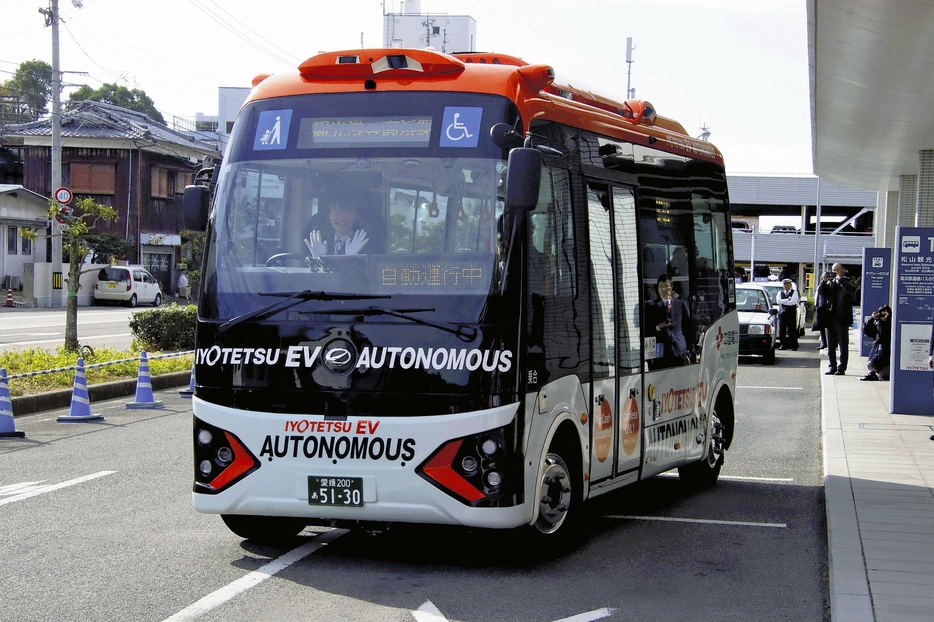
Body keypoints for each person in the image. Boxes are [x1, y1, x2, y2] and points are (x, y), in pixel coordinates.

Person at [646, 274, 692, 368]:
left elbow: (688, 328)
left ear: (671, 286)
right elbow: (647, 329)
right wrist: (658, 327)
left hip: (680, 351)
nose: (664, 289)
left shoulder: (681, 304)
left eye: (666, 286)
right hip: (661, 353)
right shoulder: (651, 307)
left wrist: (690, 351)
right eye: (661, 287)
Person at [825, 262, 856, 376]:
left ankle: (842, 368)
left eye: (837, 270)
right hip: (831, 318)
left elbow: (851, 291)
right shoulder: (830, 283)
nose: (835, 272)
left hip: (842, 319)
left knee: (843, 345)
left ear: (843, 270)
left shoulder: (847, 281)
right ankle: (832, 366)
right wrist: (824, 282)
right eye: (833, 270)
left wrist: (841, 280)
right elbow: (822, 294)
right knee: (831, 346)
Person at [860, 304, 891, 381]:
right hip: (878, 355)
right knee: (871, 365)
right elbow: (866, 330)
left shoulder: (892, 325)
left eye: (885, 313)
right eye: (881, 313)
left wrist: (888, 320)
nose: (883, 315)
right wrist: (872, 319)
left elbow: (885, 336)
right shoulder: (878, 326)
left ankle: (878, 372)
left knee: (884, 375)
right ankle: (875, 373)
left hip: (888, 359)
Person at [812, 270, 833, 349]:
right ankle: (824, 343)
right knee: (821, 327)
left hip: (823, 308)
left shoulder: (826, 285)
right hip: (820, 307)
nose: (826, 278)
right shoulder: (822, 285)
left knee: (823, 327)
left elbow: (825, 297)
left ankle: (825, 343)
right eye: (824, 277)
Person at [776, 278, 800, 351]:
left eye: (787, 284)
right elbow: (778, 301)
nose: (785, 285)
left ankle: (794, 345)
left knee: (792, 330)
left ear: (790, 285)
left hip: (791, 314)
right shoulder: (780, 293)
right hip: (782, 314)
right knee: (781, 331)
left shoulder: (794, 292)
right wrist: (787, 300)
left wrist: (785, 301)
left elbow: (793, 302)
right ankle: (783, 345)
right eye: (784, 284)